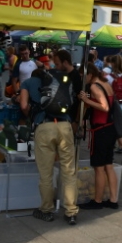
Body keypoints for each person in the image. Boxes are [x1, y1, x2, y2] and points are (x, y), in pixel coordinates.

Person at [20, 67, 79, 225]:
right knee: (69, 171)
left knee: (46, 174)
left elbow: (24, 105)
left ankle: (46, 210)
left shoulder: (28, 82)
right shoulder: (59, 81)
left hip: (44, 127)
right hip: (65, 126)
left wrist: (31, 115)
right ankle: (71, 212)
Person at [78, 66, 119, 210]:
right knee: (109, 166)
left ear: (90, 74)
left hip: (101, 130)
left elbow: (105, 107)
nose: (84, 80)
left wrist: (86, 100)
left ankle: (98, 200)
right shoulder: (106, 83)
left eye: (84, 76)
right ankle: (113, 200)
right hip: (110, 128)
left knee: (99, 168)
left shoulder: (95, 86)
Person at [53, 50, 83, 134]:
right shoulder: (60, 75)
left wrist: (76, 121)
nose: (56, 67)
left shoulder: (77, 77)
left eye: (57, 64)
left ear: (65, 62)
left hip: (71, 119)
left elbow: (80, 101)